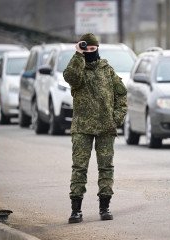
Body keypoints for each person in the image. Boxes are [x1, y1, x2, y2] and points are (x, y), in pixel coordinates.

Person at [63, 33, 127, 224]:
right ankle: (76, 210)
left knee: (106, 168)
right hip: (82, 127)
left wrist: (116, 118)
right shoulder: (78, 69)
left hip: (105, 128)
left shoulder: (107, 70)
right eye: (87, 49)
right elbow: (70, 77)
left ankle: (104, 207)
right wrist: (78, 55)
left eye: (93, 49)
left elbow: (121, 95)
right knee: (79, 168)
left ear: (98, 49)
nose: (90, 53)